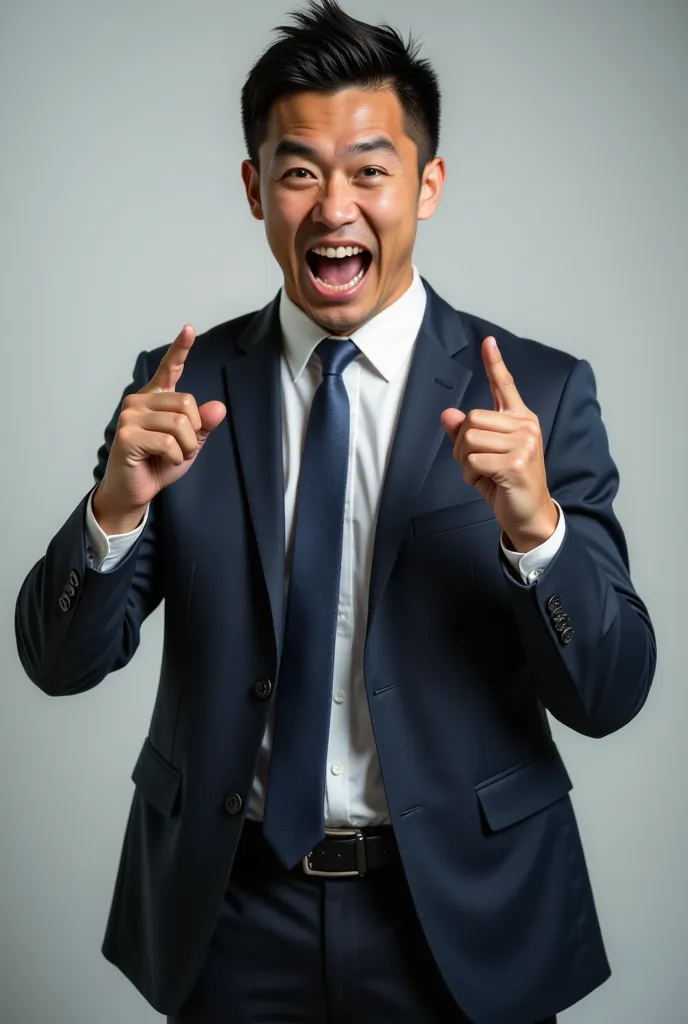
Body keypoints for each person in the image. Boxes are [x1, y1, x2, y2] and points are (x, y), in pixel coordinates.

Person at [14, 1, 656, 1022]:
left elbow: (611, 690)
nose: (334, 206)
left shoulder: (538, 392)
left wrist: (537, 530)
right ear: (255, 187)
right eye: (300, 170)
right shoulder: (180, 387)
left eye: (369, 169)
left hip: (461, 913)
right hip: (227, 913)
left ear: (426, 184)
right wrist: (113, 508)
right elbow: (57, 661)